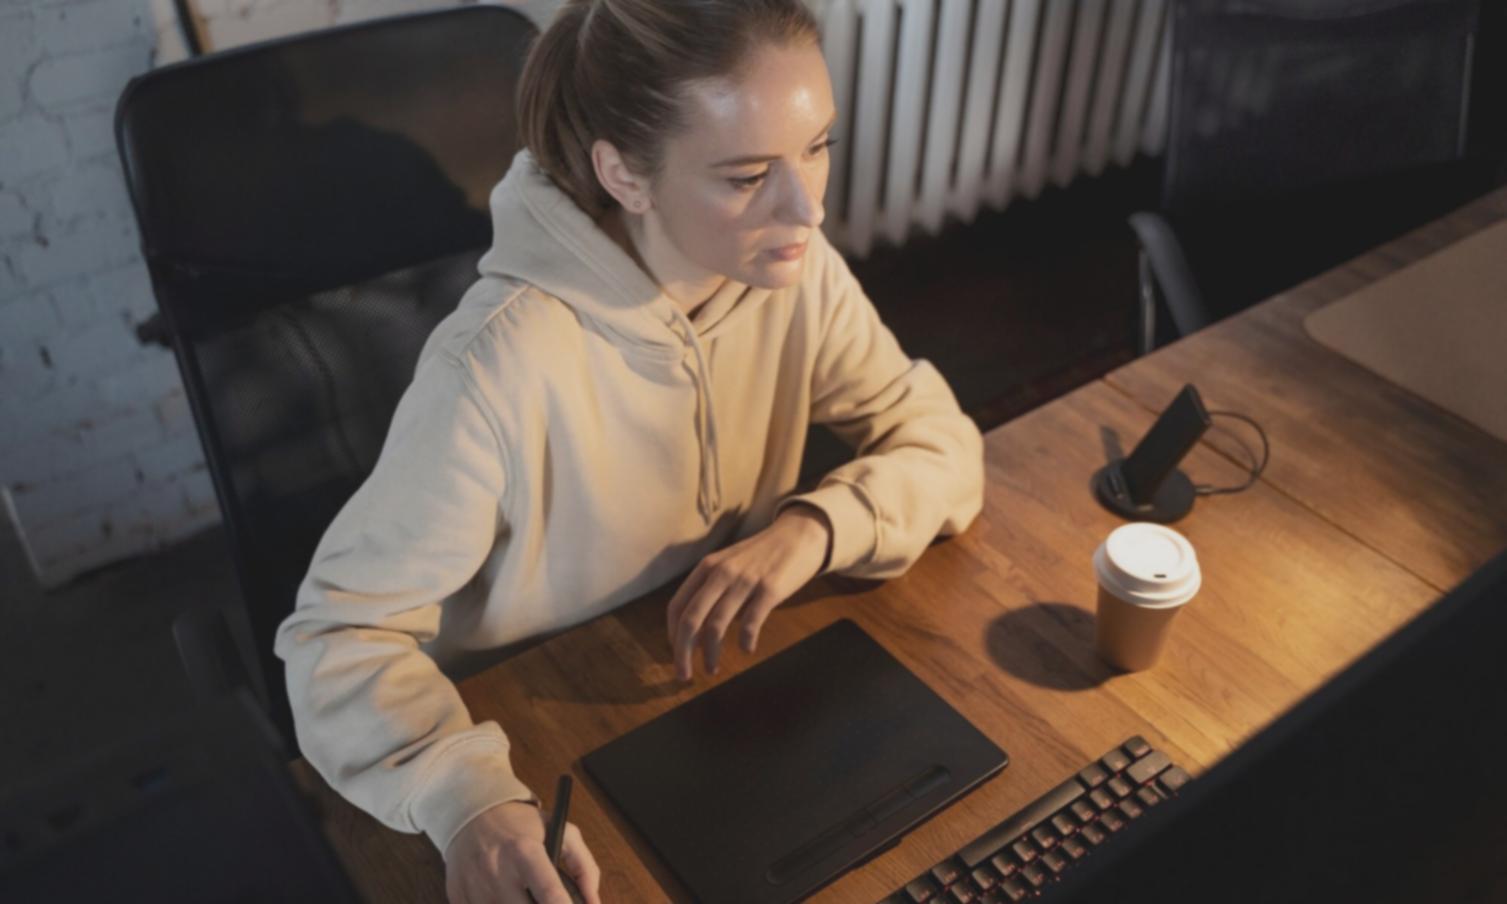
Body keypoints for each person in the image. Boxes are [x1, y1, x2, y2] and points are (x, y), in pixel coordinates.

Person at [274, 0, 985, 901]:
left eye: (818, 145)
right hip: (534, 739)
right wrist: (465, 801)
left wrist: (815, 525)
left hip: (722, 705)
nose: (806, 203)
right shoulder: (492, 368)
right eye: (745, 176)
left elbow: (941, 441)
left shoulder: (792, 271)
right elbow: (335, 638)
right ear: (624, 174)